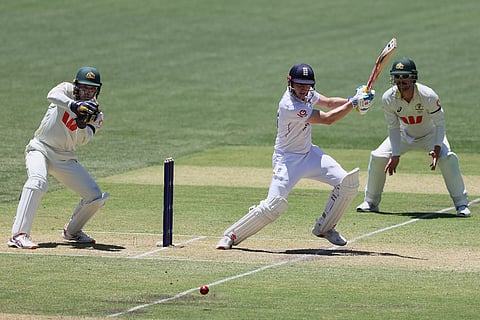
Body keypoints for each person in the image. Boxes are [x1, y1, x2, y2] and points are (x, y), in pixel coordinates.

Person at [216, 63, 375, 250]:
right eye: (300, 85)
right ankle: (230, 236)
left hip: (309, 154)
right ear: (289, 82)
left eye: (307, 86)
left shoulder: (307, 94)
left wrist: (355, 98)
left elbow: (330, 103)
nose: (304, 90)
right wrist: (354, 103)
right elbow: (327, 119)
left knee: (347, 184)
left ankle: (325, 228)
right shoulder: (289, 105)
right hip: (287, 160)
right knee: (272, 206)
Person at [8, 67, 109, 249]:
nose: (87, 92)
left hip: (64, 158)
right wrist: (74, 106)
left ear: (97, 90)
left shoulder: (97, 114)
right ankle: (18, 235)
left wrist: (81, 123)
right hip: (40, 148)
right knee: (38, 181)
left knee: (95, 196)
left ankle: (72, 232)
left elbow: (83, 140)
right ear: (76, 85)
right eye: (84, 88)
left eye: (91, 89)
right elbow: (51, 95)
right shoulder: (66, 90)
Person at [356, 57, 470, 216]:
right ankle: (370, 202)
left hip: (431, 134)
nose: (401, 81)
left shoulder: (428, 95)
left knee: (447, 158)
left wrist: (437, 148)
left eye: (405, 76)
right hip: (404, 135)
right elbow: (393, 127)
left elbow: (440, 124)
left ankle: (461, 204)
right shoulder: (388, 98)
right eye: (397, 77)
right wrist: (395, 154)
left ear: (413, 77)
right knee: (378, 156)